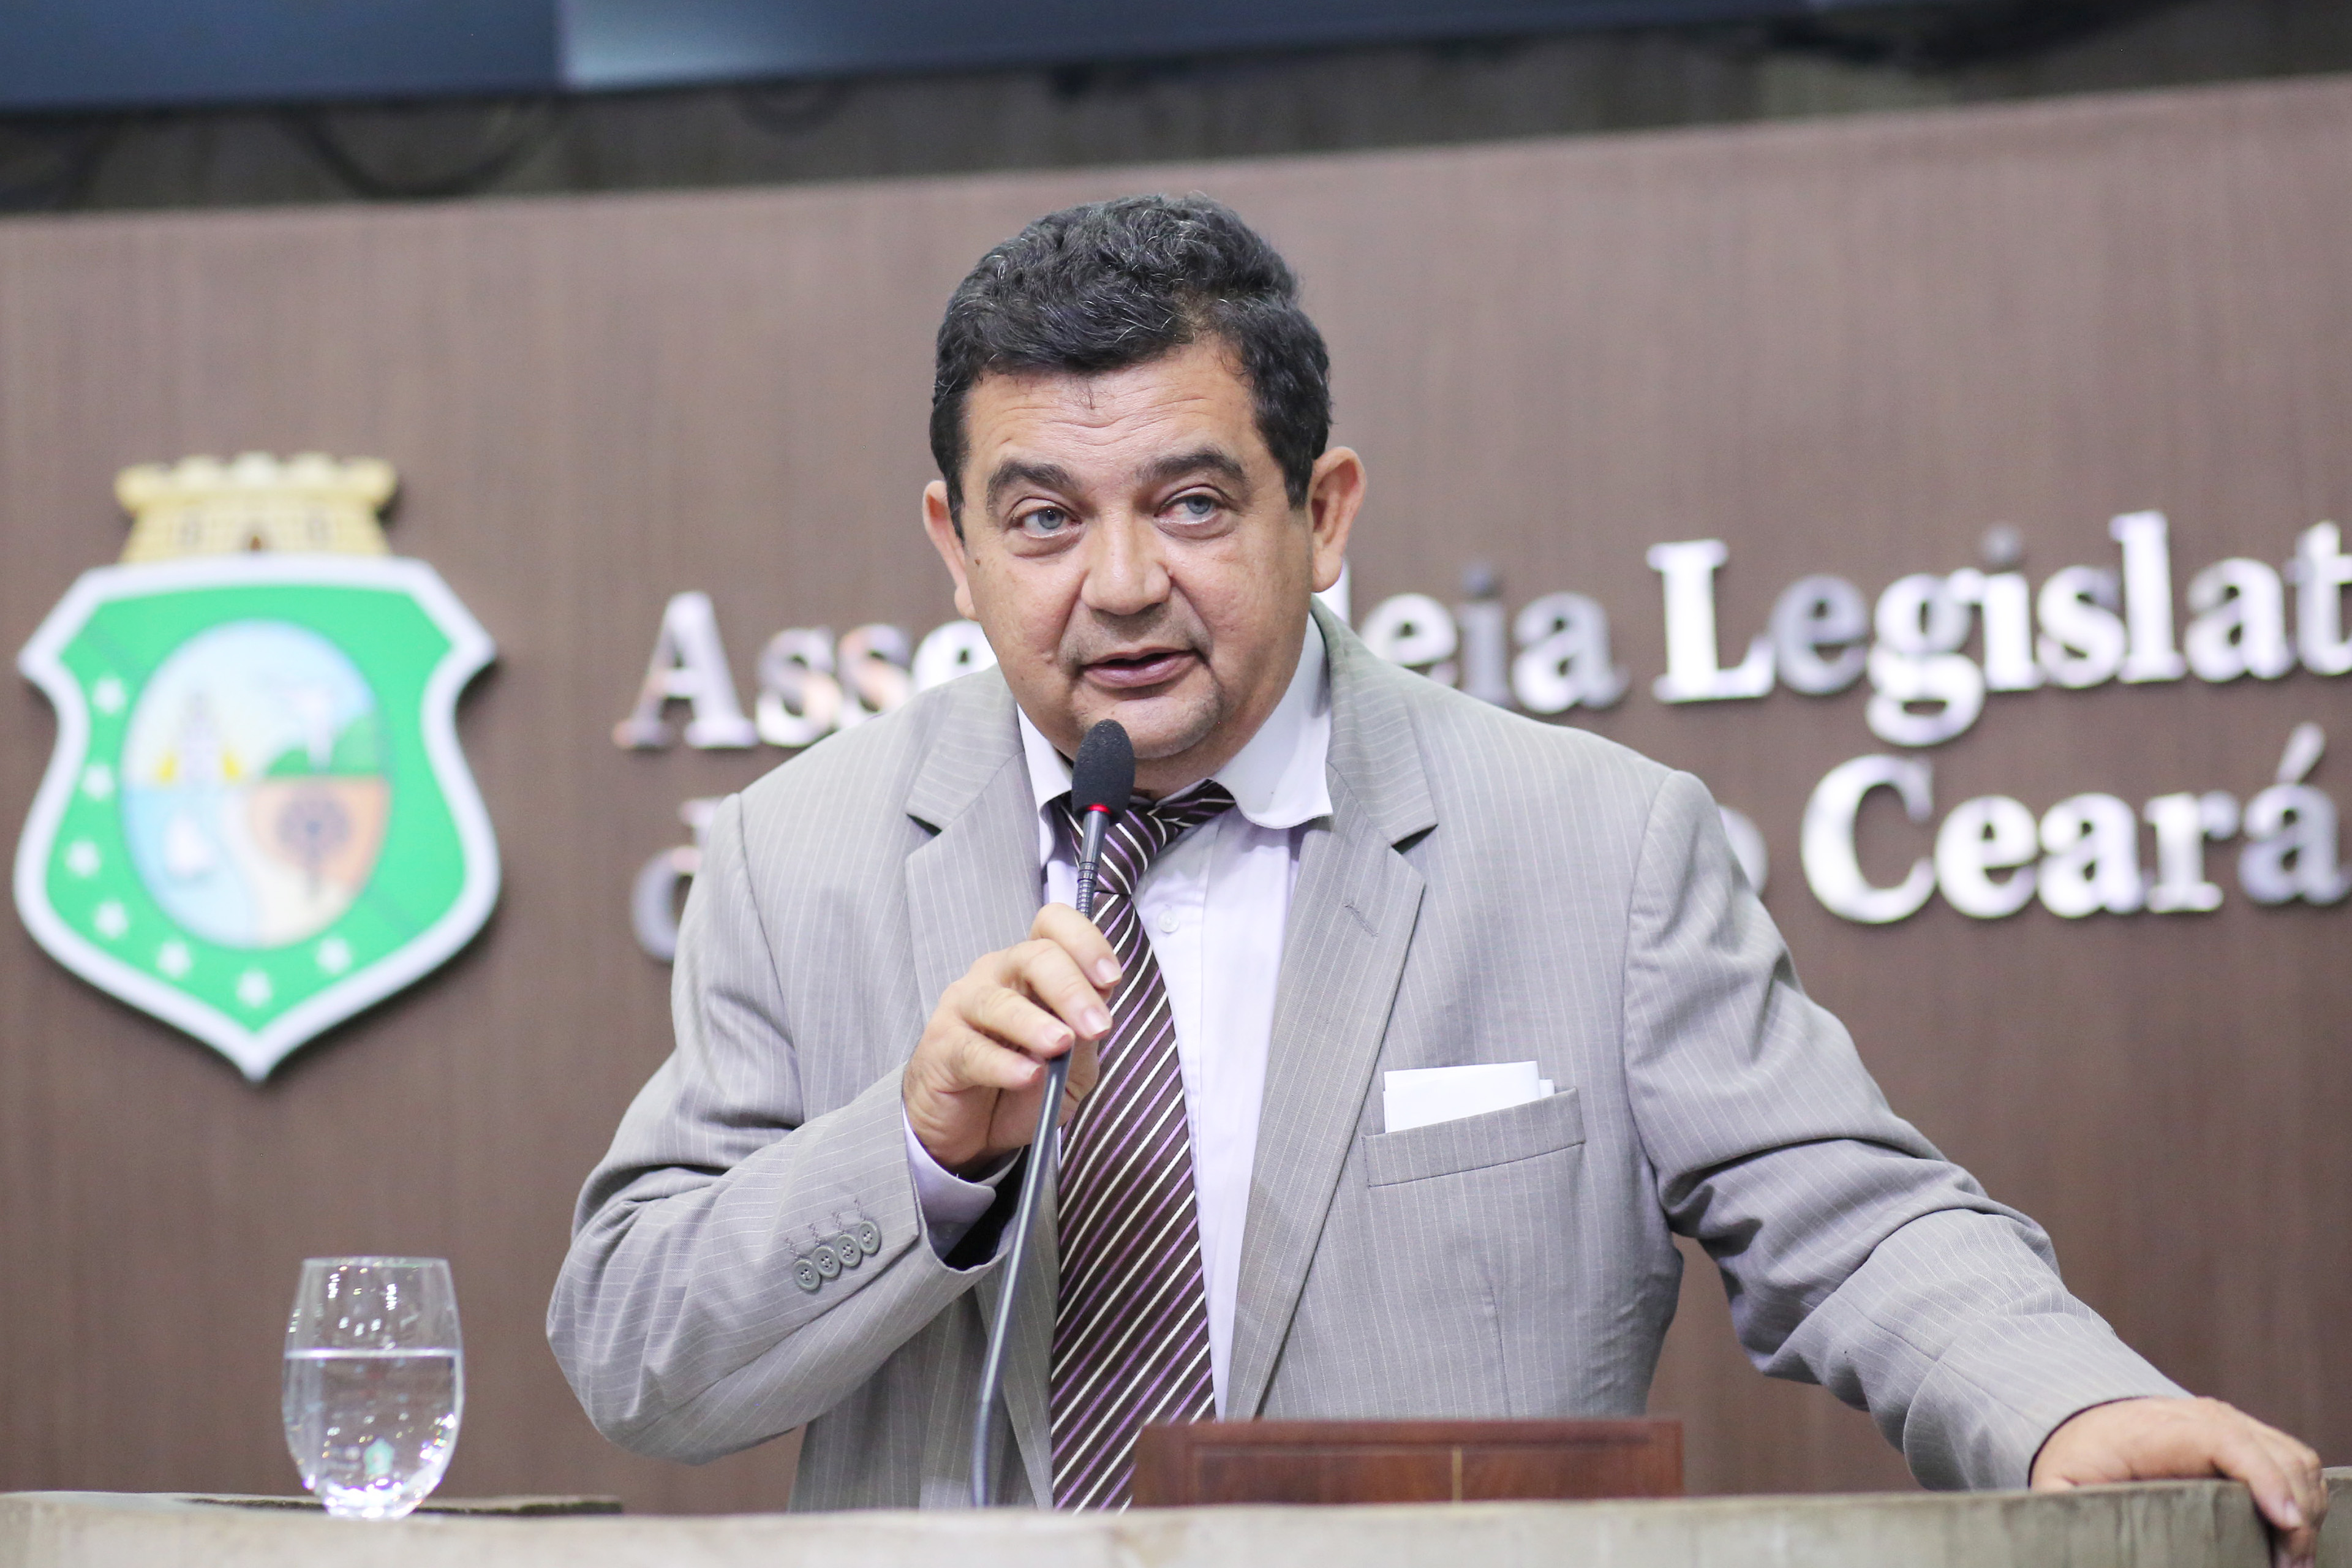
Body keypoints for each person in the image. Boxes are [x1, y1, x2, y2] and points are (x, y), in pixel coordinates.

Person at [548, 195, 2325, 1554]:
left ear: (1321, 513)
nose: (1120, 584)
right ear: (955, 545)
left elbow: (1850, 1220)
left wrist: (2065, 1408)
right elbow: (638, 1353)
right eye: (1044, 520)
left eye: (1190, 504)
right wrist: (921, 1152)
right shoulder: (798, 855)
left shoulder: (1595, 843)